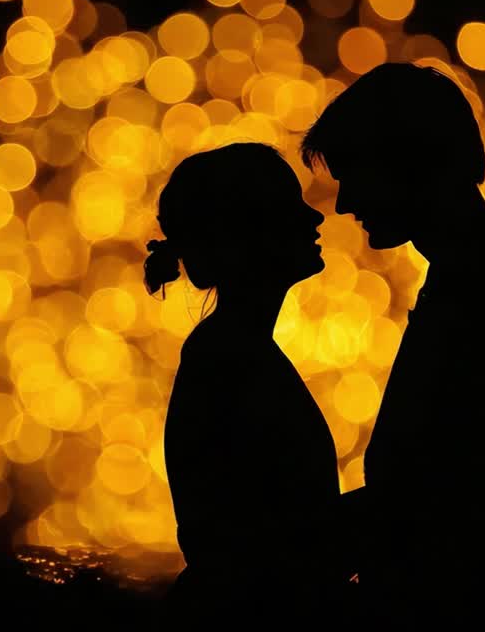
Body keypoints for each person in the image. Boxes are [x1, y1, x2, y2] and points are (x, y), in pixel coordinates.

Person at [301, 63, 485, 626]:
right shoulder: (477, 276)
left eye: (356, 174)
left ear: (409, 163)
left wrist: (285, 555)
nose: (345, 204)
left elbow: (447, 495)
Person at [148, 142, 351, 628]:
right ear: (247, 234)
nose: (314, 219)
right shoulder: (230, 361)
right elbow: (259, 545)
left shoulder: (232, 351)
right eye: (289, 207)